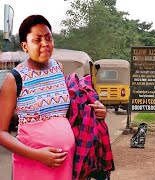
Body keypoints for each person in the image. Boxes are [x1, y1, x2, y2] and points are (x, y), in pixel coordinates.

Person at [0, 15, 107, 180]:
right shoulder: (15, 78)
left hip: (64, 163)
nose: (45, 44)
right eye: (37, 40)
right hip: (31, 164)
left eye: (48, 38)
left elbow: (74, 107)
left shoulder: (58, 68)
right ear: (25, 46)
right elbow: (1, 132)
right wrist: (37, 155)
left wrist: (97, 109)